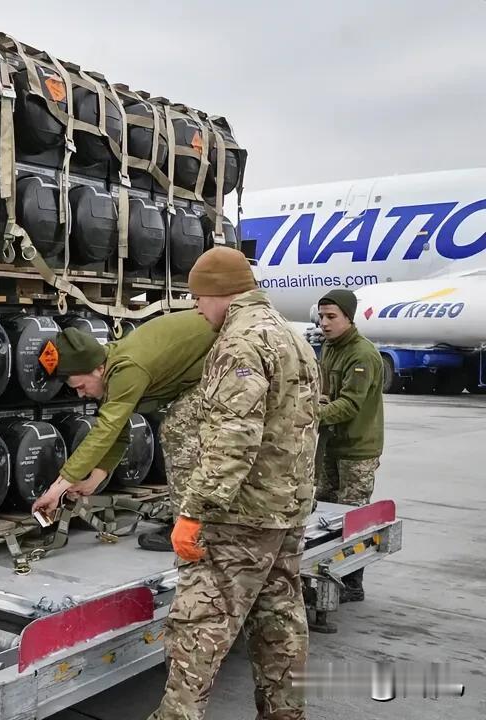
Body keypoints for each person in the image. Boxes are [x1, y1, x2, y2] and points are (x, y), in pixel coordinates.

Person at [148, 247, 320, 720]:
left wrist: (194, 510)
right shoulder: (293, 336)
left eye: (198, 299)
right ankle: (285, 713)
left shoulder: (240, 342)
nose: (198, 309)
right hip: (287, 509)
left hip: (240, 514)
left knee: (198, 623)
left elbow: (232, 437)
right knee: (280, 618)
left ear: (218, 293)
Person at [30, 312, 218, 553]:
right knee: (177, 425)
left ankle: (193, 529)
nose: (80, 394)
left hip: (228, 354)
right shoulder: (109, 369)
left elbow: (106, 430)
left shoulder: (127, 369)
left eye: (81, 386)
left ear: (98, 369)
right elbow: (118, 429)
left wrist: (57, 489)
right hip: (205, 365)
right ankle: (193, 518)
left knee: (178, 430)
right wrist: (92, 481)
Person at [315, 288, 384, 603]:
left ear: (348, 318)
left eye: (331, 317)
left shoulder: (362, 354)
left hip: (356, 450)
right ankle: (326, 574)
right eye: (322, 316)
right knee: (325, 514)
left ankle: (352, 583)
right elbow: (327, 391)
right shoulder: (330, 347)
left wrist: (310, 414)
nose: (324, 323)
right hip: (331, 444)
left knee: (352, 519)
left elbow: (350, 405)